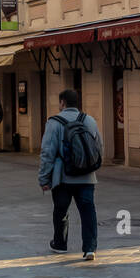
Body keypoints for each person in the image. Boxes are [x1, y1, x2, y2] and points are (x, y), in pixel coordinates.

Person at [38, 88, 103, 261]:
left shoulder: (54, 122)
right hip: (87, 176)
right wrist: (90, 166)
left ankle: (60, 243)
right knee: (88, 211)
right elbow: (99, 147)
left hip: (62, 177)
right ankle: (90, 248)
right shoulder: (89, 120)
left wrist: (44, 178)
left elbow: (47, 153)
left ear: (62, 103)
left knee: (61, 210)